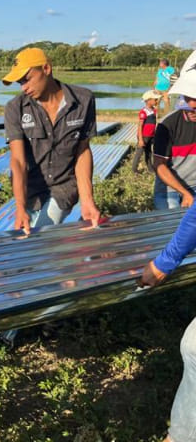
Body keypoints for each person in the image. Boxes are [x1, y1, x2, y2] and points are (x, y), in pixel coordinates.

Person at [138, 69, 196, 441]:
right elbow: (159, 165)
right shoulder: (168, 125)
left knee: (193, 347)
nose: (190, 105)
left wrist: (163, 264)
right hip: (179, 191)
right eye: (188, 99)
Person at [2, 47, 100, 234]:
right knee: (26, 236)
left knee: (41, 233)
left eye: (27, 79)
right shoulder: (15, 108)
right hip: (30, 189)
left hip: (64, 186)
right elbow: (18, 161)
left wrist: (87, 200)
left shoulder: (83, 100)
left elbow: (82, 150)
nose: (24, 87)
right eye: (20, 82)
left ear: (46, 69)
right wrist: (20, 207)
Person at [152, 63, 196, 210]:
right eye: (190, 109)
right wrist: (184, 193)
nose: (192, 112)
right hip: (170, 190)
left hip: (194, 185)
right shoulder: (168, 124)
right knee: (173, 227)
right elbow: (159, 165)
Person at [132, 90, 160, 174]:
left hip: (150, 136)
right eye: (155, 99)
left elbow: (154, 124)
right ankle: (134, 169)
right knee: (139, 153)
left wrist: (154, 134)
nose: (156, 101)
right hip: (143, 136)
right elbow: (140, 126)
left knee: (149, 152)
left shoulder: (154, 111)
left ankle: (150, 169)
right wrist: (140, 139)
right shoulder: (143, 112)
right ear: (148, 100)